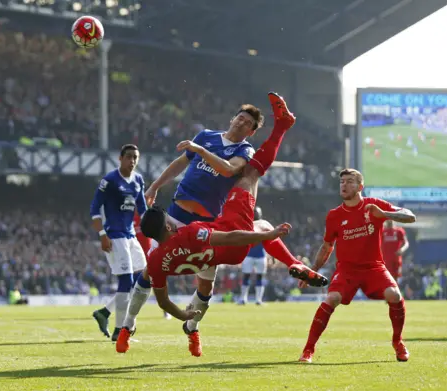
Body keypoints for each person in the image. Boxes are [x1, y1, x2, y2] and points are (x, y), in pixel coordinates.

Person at [116, 92, 328, 356]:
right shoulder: (206, 136)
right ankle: (128, 326)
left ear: (251, 131)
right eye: (239, 118)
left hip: (207, 224)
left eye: (247, 123)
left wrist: (200, 151)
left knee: (206, 286)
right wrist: (157, 185)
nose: (241, 123)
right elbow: (181, 163)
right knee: (150, 272)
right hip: (176, 215)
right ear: (232, 118)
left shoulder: (244, 150)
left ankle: (192, 328)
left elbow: (229, 170)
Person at [297, 168, 416, 363]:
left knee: (394, 295)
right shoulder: (334, 215)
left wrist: (384, 213)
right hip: (347, 270)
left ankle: (398, 342)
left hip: (374, 267)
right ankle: (308, 349)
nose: (344, 185)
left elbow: (410, 216)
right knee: (332, 298)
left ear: (360, 186)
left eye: (350, 181)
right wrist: (312, 271)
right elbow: (327, 246)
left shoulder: (374, 205)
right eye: (342, 181)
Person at [89, 144, 147, 342]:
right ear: (120, 158)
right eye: (129, 157)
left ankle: (105, 312)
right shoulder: (110, 181)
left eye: (135, 158)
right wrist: (102, 234)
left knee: (145, 277)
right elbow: (94, 209)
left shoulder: (138, 180)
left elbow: (143, 209)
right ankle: (119, 331)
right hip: (115, 236)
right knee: (125, 281)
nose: (132, 161)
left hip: (131, 236)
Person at [239, 206, 270, 305]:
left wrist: (271, 256)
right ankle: (243, 299)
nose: (256, 214)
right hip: (248, 255)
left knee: (260, 277)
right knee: (246, 276)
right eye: (255, 212)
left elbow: (269, 240)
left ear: (260, 214)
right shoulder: (247, 223)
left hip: (261, 255)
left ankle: (258, 300)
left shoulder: (264, 224)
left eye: (257, 212)